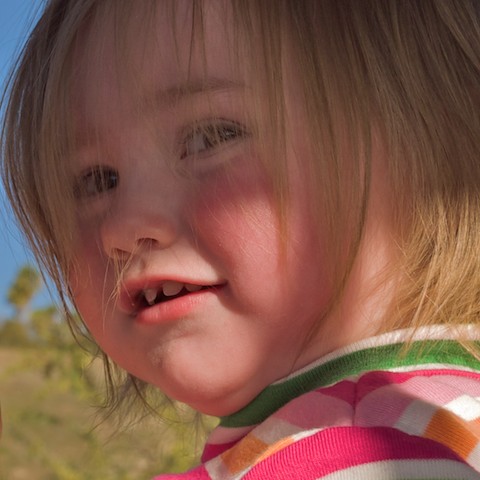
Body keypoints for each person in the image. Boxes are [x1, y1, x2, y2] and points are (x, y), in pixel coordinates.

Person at [2, 0, 480, 478]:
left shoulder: (360, 455)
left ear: (425, 138)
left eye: (212, 137)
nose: (122, 228)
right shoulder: (432, 425)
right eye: (96, 181)